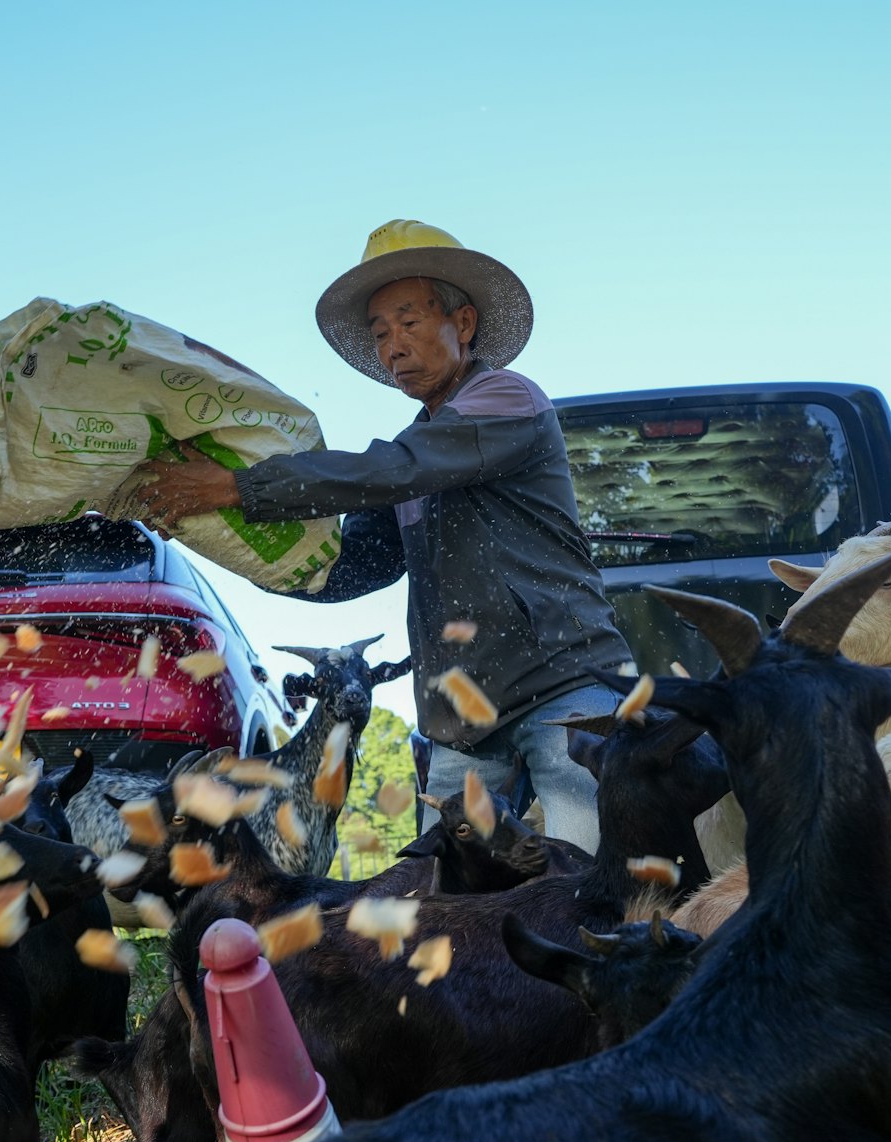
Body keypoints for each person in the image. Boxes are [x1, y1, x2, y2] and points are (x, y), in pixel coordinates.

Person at [132, 219, 632, 852]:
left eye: (410, 322)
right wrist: (212, 529)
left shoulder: (507, 400)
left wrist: (236, 487)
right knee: (442, 903)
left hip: (560, 684)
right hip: (462, 719)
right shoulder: (414, 453)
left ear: (465, 324)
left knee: (581, 878)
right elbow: (347, 569)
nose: (392, 346)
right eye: (380, 333)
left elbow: (392, 467)